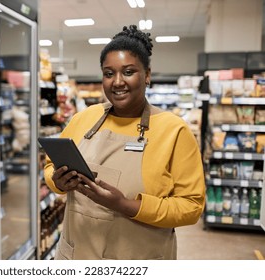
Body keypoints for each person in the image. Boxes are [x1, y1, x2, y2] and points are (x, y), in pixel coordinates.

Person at [43, 25, 206, 260]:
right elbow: (50, 166)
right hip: (77, 255)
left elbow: (191, 207)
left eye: (128, 72)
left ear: (147, 74)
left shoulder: (174, 130)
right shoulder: (84, 119)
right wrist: (58, 181)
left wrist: (126, 205)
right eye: (109, 74)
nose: (117, 82)